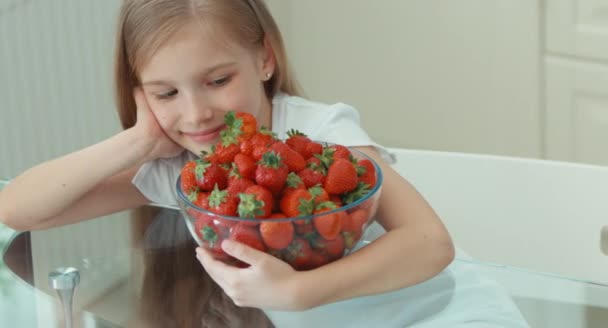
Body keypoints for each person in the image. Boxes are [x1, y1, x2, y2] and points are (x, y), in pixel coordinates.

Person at [0, 1, 528, 326]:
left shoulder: (322, 133)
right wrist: (137, 142)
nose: (196, 112)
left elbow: (430, 244)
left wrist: (297, 292)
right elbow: (20, 210)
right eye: (166, 92)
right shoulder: (181, 168)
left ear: (265, 59)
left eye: (218, 80)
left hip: (448, 316)